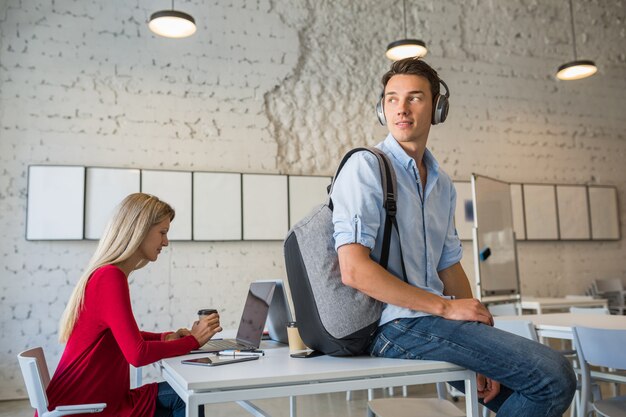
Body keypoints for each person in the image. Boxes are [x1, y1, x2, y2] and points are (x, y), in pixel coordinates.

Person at [331, 58, 576, 416]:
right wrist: (447, 307)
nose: (401, 108)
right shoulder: (365, 167)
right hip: (393, 325)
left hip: (434, 322)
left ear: (437, 108)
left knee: (522, 393)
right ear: (382, 109)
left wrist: (476, 323)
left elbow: (449, 266)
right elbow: (353, 270)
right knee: (553, 376)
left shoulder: (441, 183)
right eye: (391, 98)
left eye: (414, 98)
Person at [47, 193, 221, 417]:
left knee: (184, 396)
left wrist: (164, 338)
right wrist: (192, 341)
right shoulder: (109, 277)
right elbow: (136, 355)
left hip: (91, 402)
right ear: (140, 230)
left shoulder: (106, 275)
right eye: (162, 233)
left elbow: (121, 337)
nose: (166, 242)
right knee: (187, 397)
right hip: (88, 409)